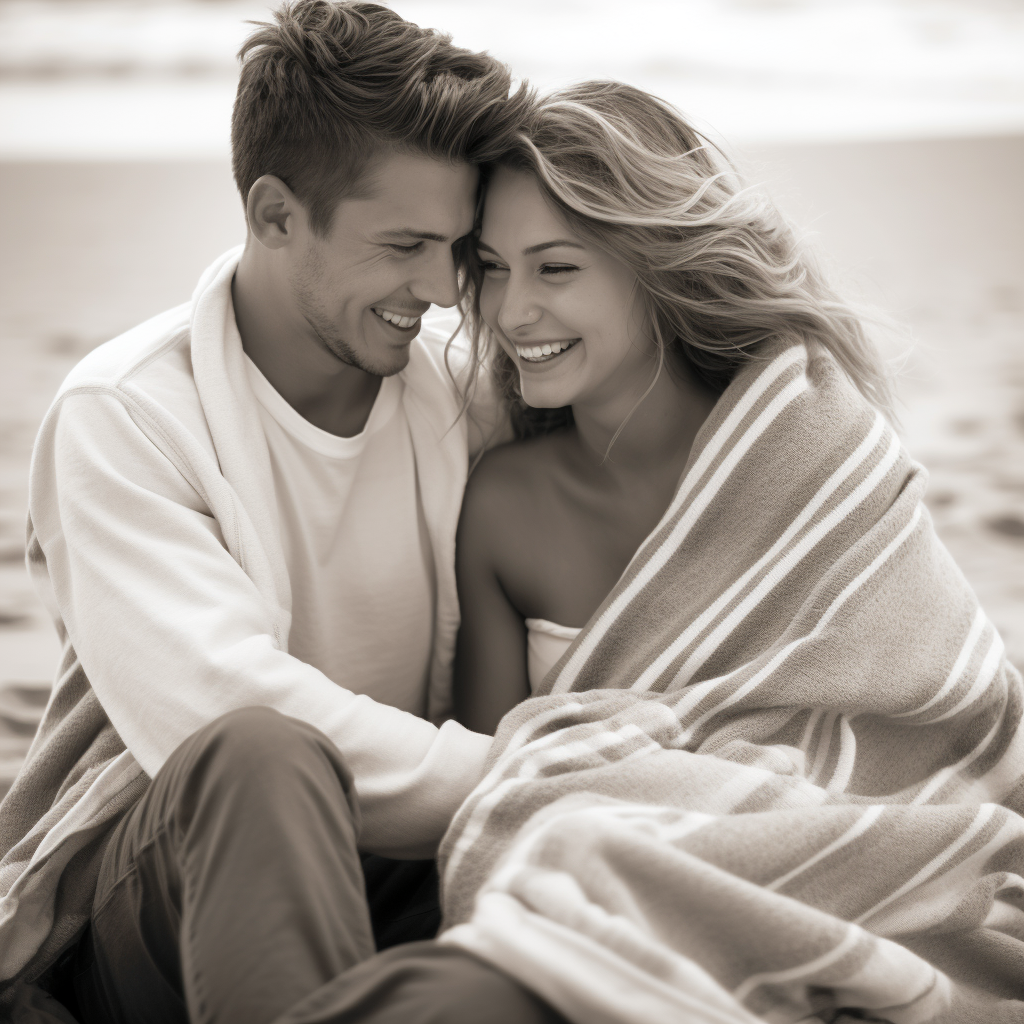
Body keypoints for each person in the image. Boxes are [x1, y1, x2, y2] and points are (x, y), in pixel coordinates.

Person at [0, 4, 568, 1023]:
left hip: (408, 875)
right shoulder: (123, 415)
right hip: (164, 909)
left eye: (457, 248)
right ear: (273, 214)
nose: (441, 290)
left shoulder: (464, 399)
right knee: (262, 749)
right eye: (403, 246)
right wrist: (528, 779)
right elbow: (214, 706)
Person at [453, 80, 895, 734]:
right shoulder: (503, 505)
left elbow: (918, 711)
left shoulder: (812, 457)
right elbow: (490, 786)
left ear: (655, 266)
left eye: (555, 269)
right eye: (494, 267)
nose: (511, 313)